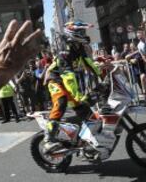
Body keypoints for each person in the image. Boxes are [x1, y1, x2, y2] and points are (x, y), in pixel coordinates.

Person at [43, 20, 102, 152]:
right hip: (56, 80)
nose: (84, 33)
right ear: (73, 33)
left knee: (84, 110)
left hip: (67, 82)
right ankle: (49, 139)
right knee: (62, 101)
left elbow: (88, 63)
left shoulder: (78, 47)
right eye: (81, 31)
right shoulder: (65, 50)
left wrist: (103, 74)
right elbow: (69, 77)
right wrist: (78, 96)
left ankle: (82, 141)